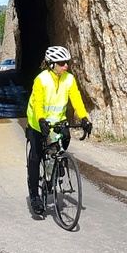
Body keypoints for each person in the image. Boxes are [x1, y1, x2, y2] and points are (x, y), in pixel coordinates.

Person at [24, 45, 92, 216]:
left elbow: (76, 99)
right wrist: (41, 120)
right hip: (37, 121)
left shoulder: (69, 79)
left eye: (66, 62)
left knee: (65, 138)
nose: (65, 66)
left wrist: (84, 118)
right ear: (51, 64)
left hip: (58, 120)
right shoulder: (41, 79)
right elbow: (38, 103)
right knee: (36, 155)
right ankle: (34, 196)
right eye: (62, 63)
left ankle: (56, 162)